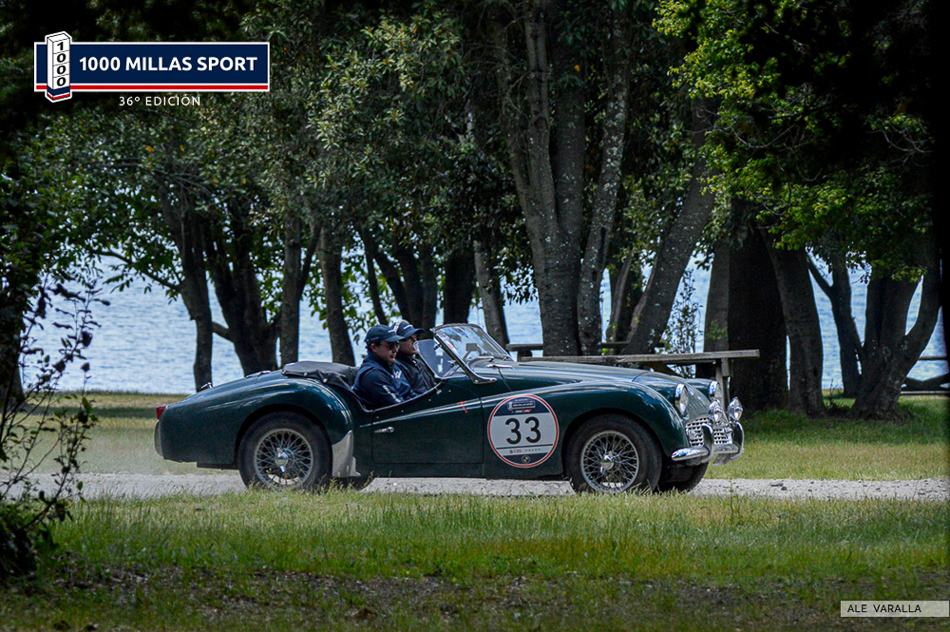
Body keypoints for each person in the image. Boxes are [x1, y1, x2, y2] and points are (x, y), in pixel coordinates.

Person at [353, 324, 411, 409]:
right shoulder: (373, 376)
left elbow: (408, 393)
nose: (395, 350)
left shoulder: (392, 366)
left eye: (396, 344)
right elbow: (400, 406)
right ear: (374, 347)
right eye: (390, 346)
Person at [393, 320, 436, 395]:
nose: (415, 341)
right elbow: (406, 395)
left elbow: (434, 387)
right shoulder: (396, 366)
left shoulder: (419, 363)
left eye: (415, 337)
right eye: (409, 338)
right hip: (421, 401)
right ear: (397, 343)